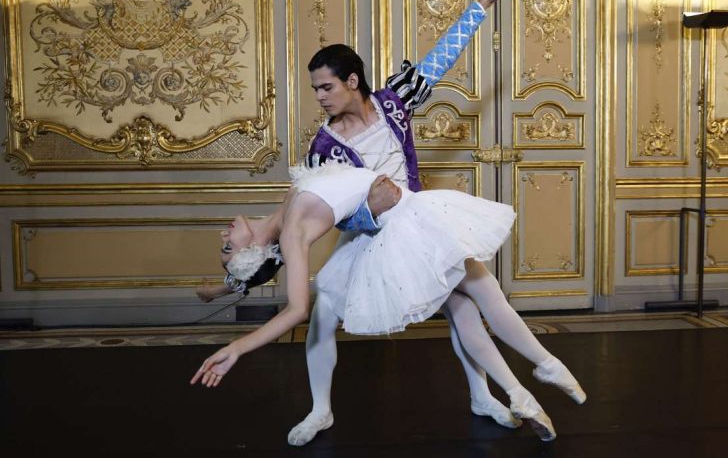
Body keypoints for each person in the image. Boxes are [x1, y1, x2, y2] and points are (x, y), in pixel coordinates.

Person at [192, 164, 585, 443]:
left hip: (398, 216)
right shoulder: (293, 232)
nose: (224, 234)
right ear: (252, 251)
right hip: (400, 227)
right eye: (228, 247)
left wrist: (221, 290)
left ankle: (521, 385)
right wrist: (236, 347)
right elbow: (296, 308)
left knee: (476, 298)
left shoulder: (280, 225)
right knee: (476, 295)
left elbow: (264, 264)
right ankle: (539, 372)